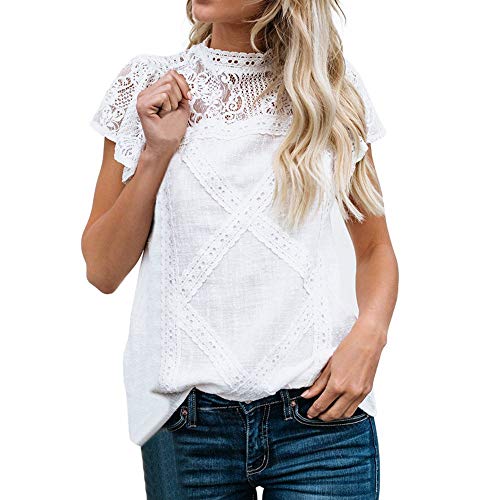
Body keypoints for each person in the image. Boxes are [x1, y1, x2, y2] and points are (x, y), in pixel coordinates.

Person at [82, 0, 399, 498]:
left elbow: (375, 247)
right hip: (189, 426)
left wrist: (370, 337)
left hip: (322, 420)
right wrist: (157, 153)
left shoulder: (331, 91)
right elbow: (102, 270)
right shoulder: (148, 86)